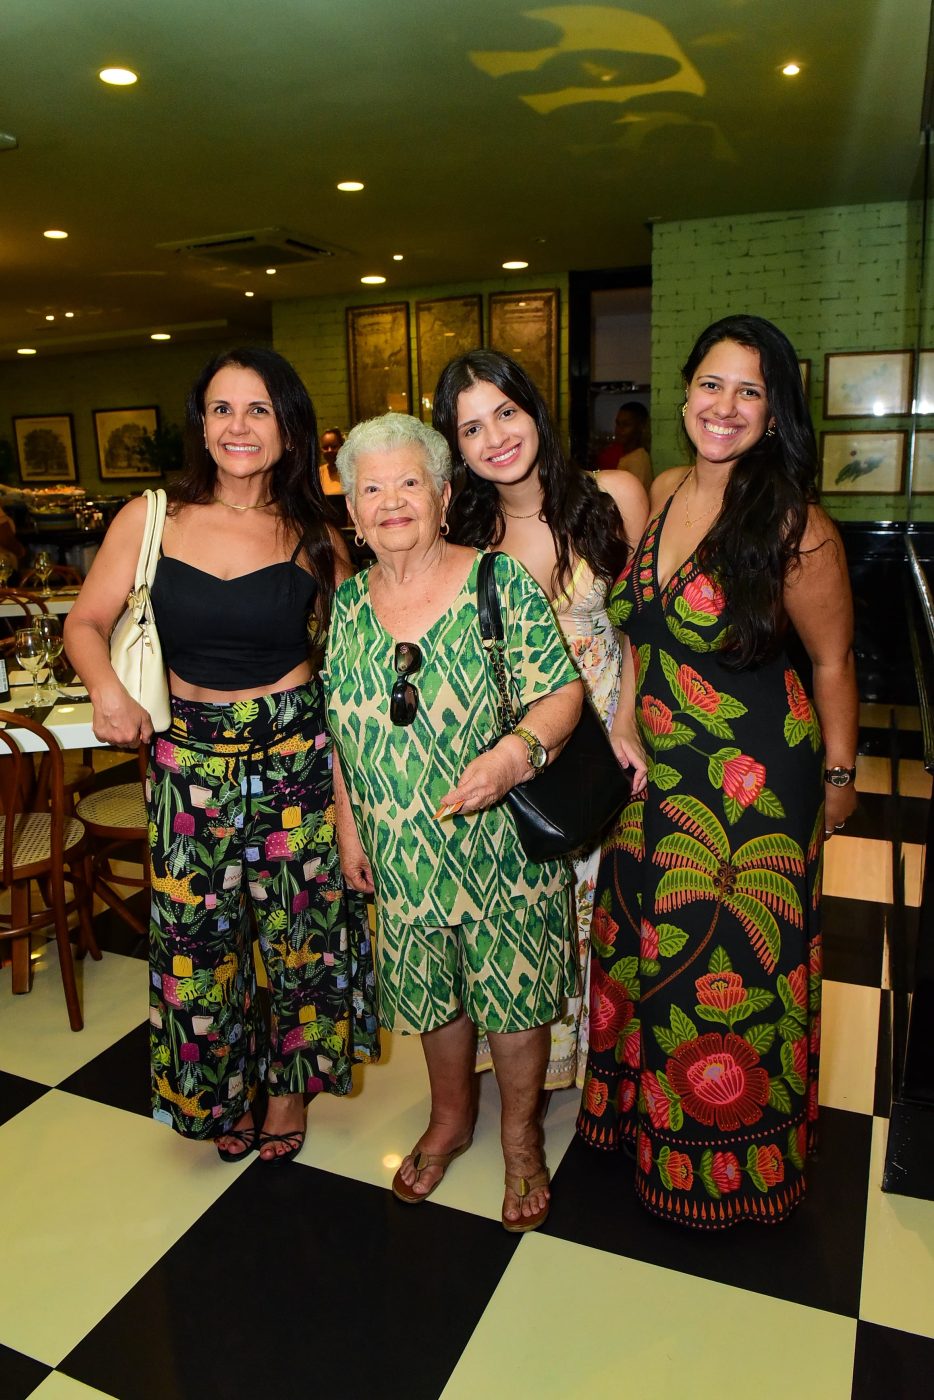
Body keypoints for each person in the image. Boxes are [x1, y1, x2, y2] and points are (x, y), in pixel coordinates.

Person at [577, 314, 858, 1228]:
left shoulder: (794, 524)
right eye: (711, 384)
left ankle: (734, 1160)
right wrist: (622, 713)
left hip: (754, 792)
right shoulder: (659, 488)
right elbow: (638, 629)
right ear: (685, 391)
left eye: (750, 391)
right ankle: (651, 1130)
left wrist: (841, 783)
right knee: (649, 955)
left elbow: (832, 664)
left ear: (775, 413)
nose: (725, 407)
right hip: (653, 780)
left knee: (731, 970)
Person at [65, 346, 380, 1163]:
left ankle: (286, 1093)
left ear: (287, 429)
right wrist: (107, 690)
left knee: (301, 940)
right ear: (202, 427)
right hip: (187, 758)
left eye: (259, 410)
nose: (239, 426)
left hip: (295, 754)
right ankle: (216, 1093)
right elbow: (84, 623)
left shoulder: (315, 532)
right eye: (222, 409)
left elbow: (355, 664)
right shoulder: (151, 518)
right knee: (195, 945)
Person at [324, 411, 583, 1231]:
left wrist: (514, 756)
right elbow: (340, 726)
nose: (390, 501)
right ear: (354, 513)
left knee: (511, 995)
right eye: (371, 488)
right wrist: (349, 823)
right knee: (432, 993)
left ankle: (517, 1138)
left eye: (409, 483)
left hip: (500, 841)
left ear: (443, 495)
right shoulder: (347, 607)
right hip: (400, 849)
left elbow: (562, 693)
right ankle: (449, 1118)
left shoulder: (498, 581)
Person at [432, 349, 649, 1090]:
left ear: (534, 411)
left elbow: (640, 629)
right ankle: (541, 1064)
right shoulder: (463, 536)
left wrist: (627, 724)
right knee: (536, 909)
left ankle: (605, 1066)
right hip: (523, 750)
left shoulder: (614, 496)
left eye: (506, 412)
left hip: (608, 744)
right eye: (470, 428)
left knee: (608, 907)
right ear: (454, 447)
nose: (495, 437)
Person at [595, 401, 653, 489]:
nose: (619, 430)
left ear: (640, 426)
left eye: (626, 425)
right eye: (618, 424)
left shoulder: (637, 460)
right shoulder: (626, 455)